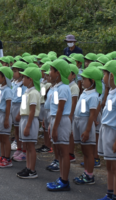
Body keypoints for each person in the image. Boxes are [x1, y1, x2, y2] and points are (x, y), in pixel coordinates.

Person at [93, 61, 116, 200]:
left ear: (112, 76)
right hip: (106, 130)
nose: (103, 77)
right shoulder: (112, 92)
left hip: (114, 132)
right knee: (109, 166)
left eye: (105, 74)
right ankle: (109, 193)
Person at [45, 60, 73, 192]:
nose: (49, 73)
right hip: (55, 120)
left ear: (58, 72)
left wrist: (55, 127)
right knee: (59, 153)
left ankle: (65, 181)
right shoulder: (56, 87)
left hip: (61, 122)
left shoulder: (63, 88)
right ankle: (61, 178)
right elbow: (54, 108)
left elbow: (60, 110)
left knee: (63, 152)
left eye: (51, 70)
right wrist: (51, 125)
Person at [72, 67, 103, 185]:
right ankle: (86, 172)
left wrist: (87, 130)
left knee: (89, 151)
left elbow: (92, 115)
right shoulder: (85, 92)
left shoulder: (94, 96)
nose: (82, 81)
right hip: (80, 121)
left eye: (85, 79)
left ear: (92, 81)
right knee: (84, 150)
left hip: (86, 124)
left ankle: (90, 175)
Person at [16, 67, 42, 179]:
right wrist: (19, 114)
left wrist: (27, 126)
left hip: (30, 120)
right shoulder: (27, 91)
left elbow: (32, 110)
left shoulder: (34, 93)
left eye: (24, 77)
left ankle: (32, 170)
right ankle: (27, 167)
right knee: (26, 145)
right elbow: (24, 106)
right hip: (24, 118)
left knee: (31, 146)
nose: (22, 80)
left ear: (30, 79)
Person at [0, 67, 14, 168]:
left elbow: (8, 105)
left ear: (4, 78)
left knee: (5, 138)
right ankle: (3, 156)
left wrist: (6, 119)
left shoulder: (8, 90)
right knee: (0, 137)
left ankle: (7, 159)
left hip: (4, 115)